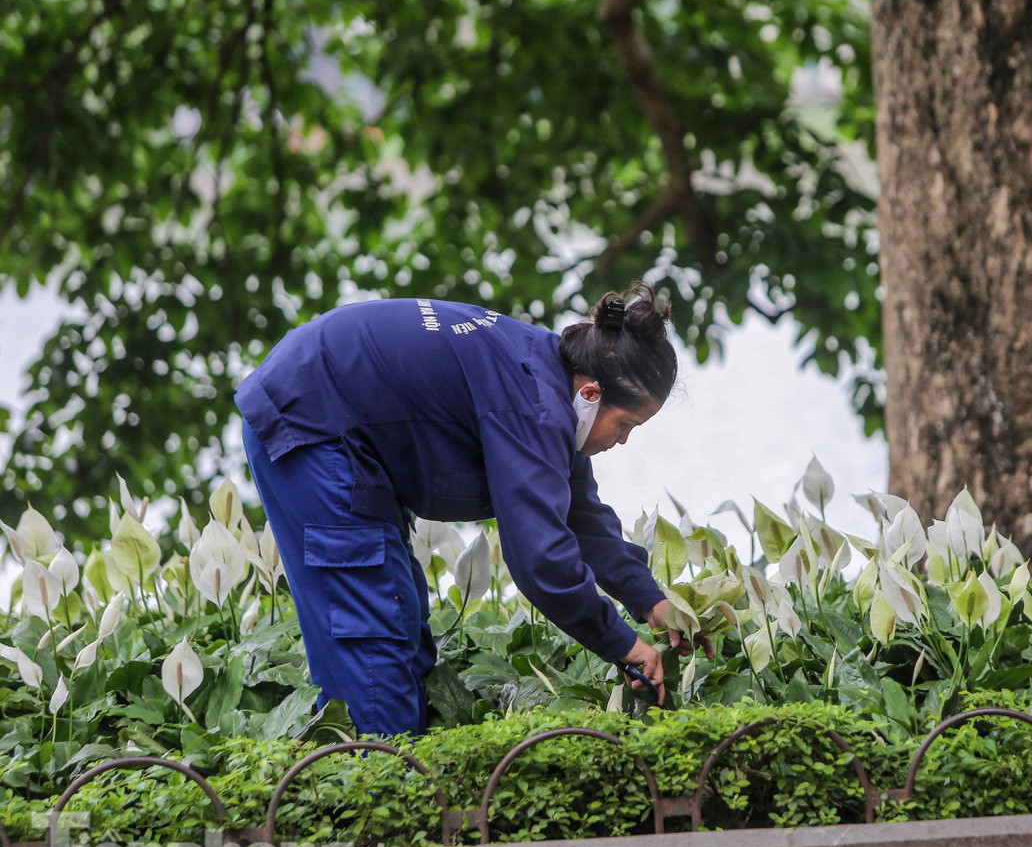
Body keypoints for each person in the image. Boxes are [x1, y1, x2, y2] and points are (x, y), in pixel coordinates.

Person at [236, 282, 702, 736]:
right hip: (311, 423)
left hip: (337, 419)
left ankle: (393, 781)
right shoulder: (533, 405)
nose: (621, 441)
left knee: (402, 627)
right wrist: (623, 645)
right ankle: (376, 794)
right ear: (592, 393)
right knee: (373, 640)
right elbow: (540, 560)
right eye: (626, 425)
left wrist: (652, 602)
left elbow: (580, 518)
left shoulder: (546, 382)